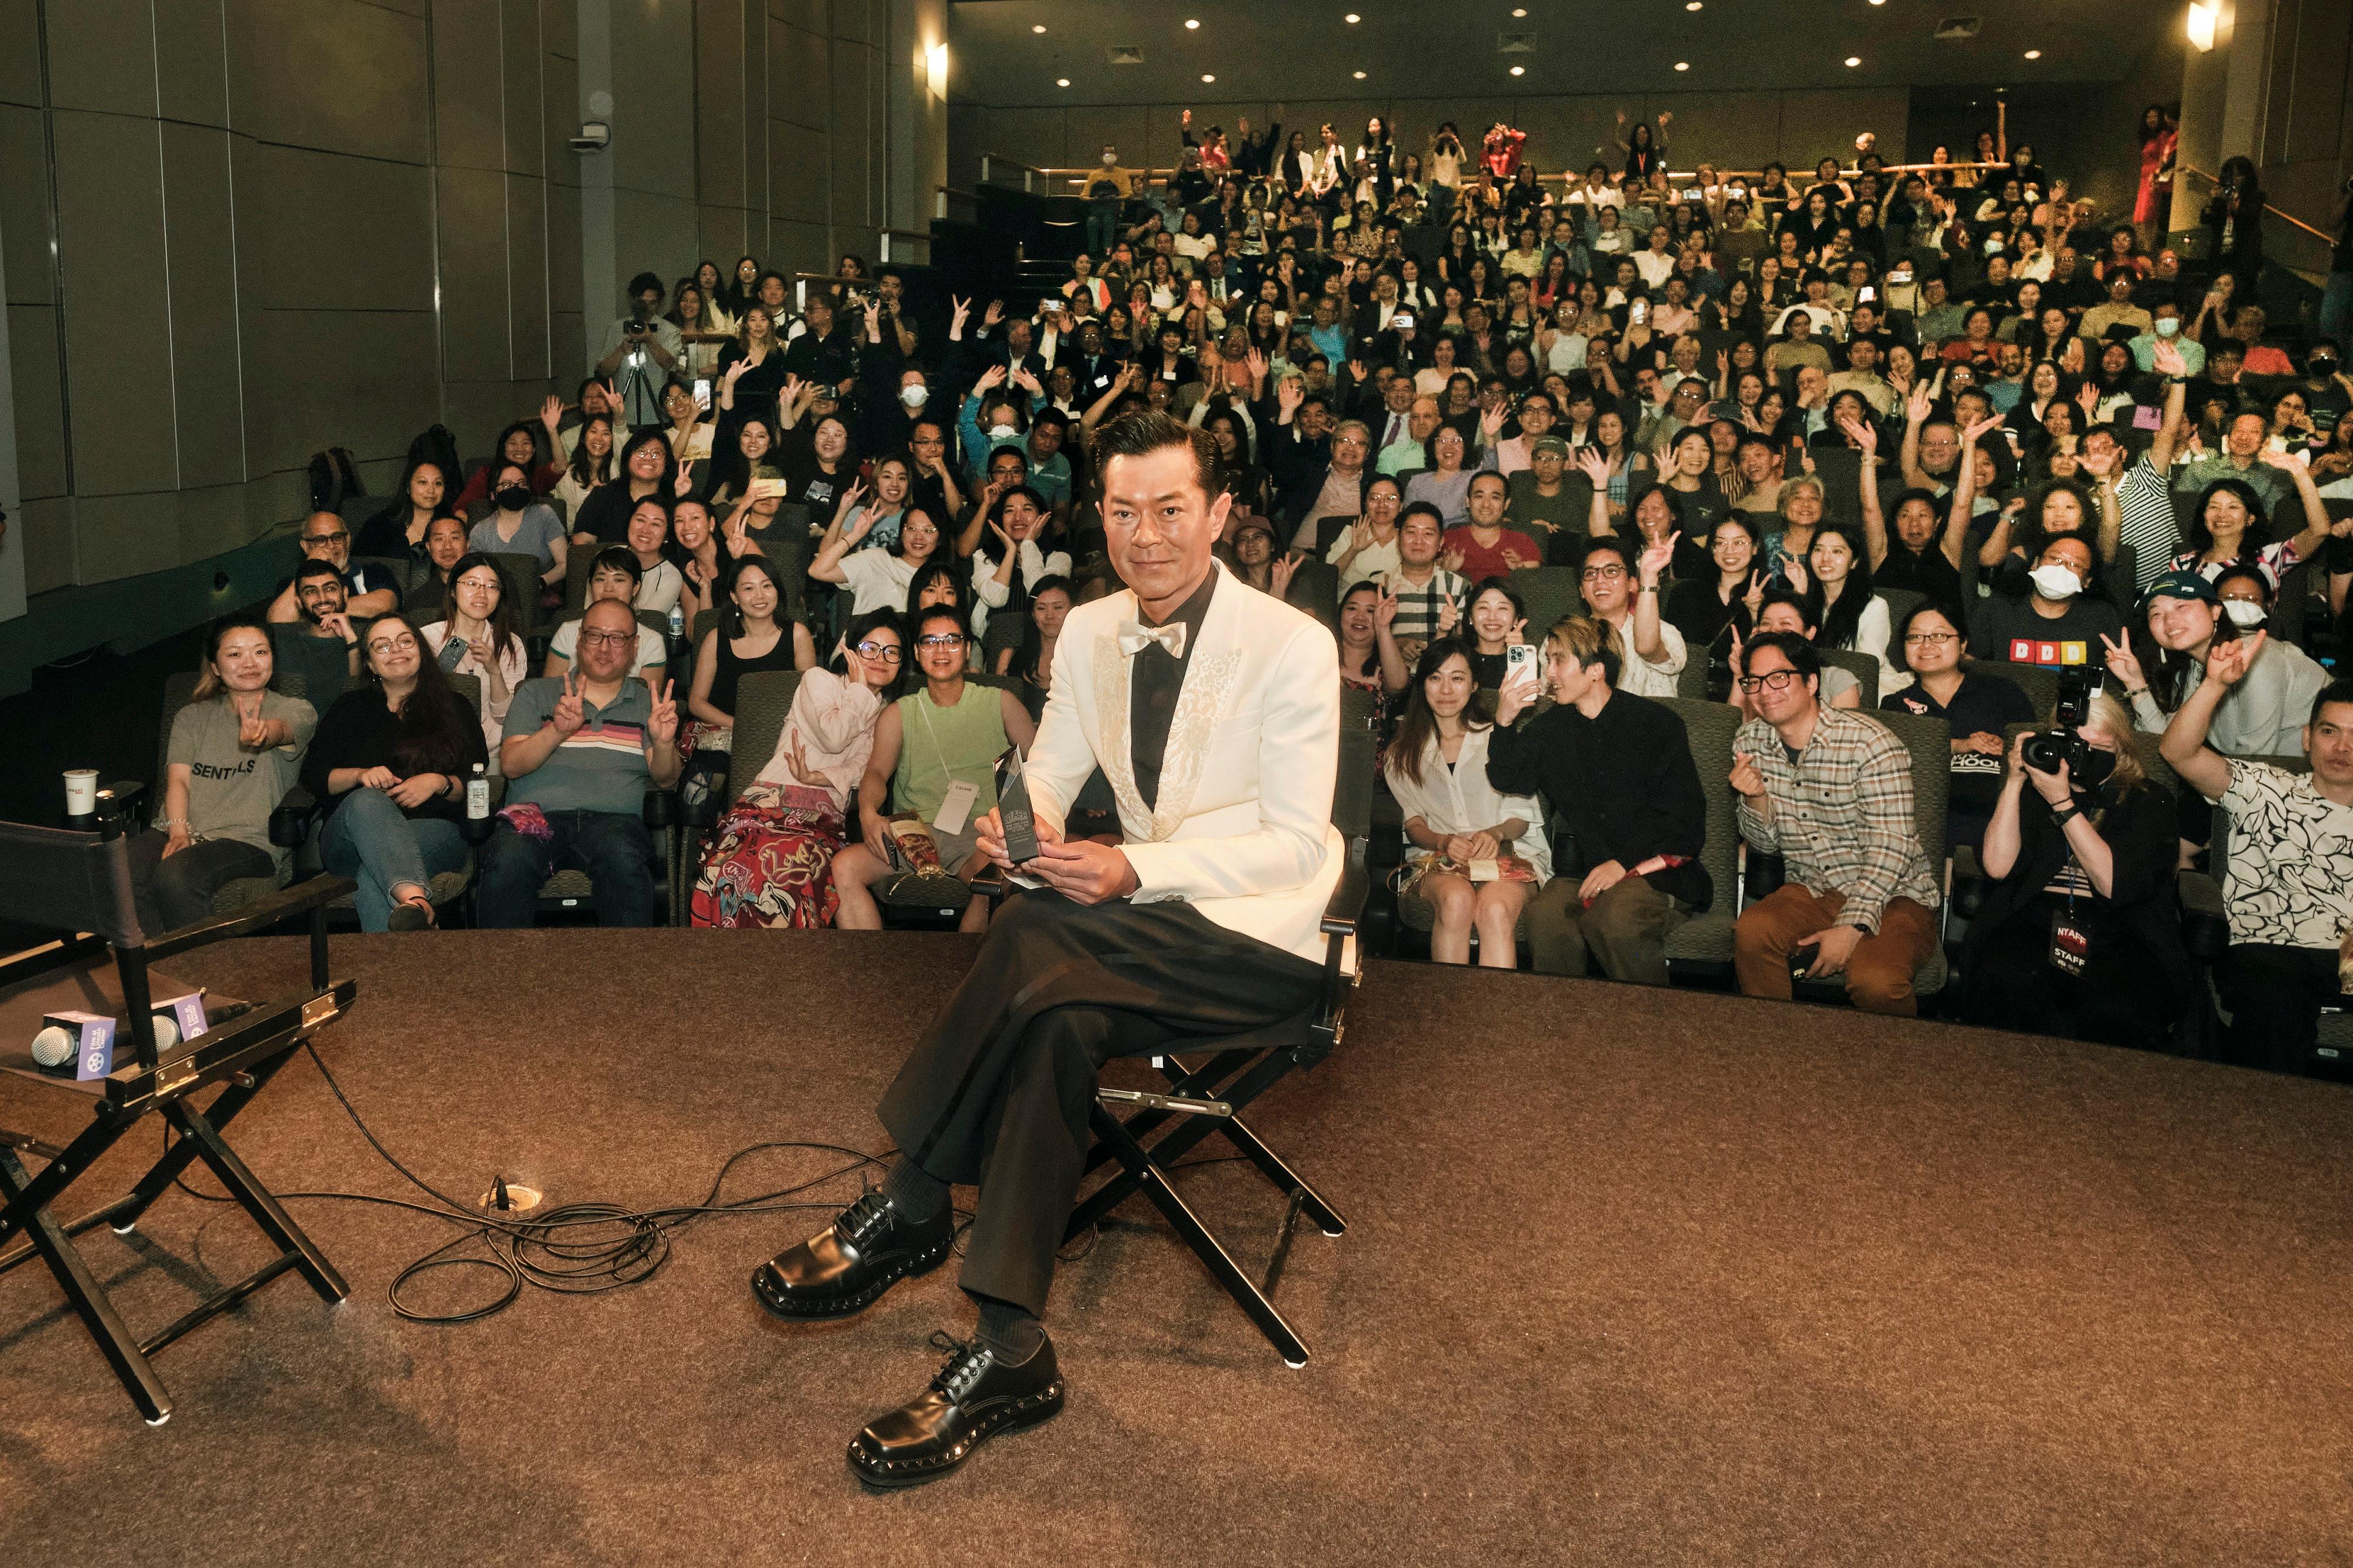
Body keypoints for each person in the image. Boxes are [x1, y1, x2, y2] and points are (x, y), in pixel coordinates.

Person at [749, 411, 1344, 1487]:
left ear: (1217, 513)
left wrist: (1131, 868)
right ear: (1102, 517)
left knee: (1029, 937)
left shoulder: (1294, 645)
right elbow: (1054, 771)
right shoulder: (1093, 628)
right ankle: (1011, 1346)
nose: (1147, 535)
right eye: (1124, 512)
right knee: (1054, 1012)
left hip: (1265, 938)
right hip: (1137, 930)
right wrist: (1014, 829)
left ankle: (915, 1200)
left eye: (1171, 510)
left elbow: (1299, 842)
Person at [2161, 642, 2353, 1073]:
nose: (2342, 747)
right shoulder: (2264, 785)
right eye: (2329, 731)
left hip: (2348, 952)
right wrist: (2213, 685)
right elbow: (2178, 753)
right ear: (2307, 737)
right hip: (2273, 947)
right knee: (2272, 994)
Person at [1957, 694, 2188, 1050]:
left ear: (2122, 749)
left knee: (2117, 1010)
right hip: (2035, 916)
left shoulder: (2149, 800)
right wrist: (2016, 781)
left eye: (2099, 745)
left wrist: (2063, 804)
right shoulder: (2033, 790)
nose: (2085, 755)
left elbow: (2112, 885)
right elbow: (1997, 867)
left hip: (2121, 926)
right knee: (2004, 983)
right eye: (2077, 744)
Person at [1728, 632, 1943, 1015]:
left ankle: (1903, 1070)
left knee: (1875, 980)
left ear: (1811, 683)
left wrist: (1852, 927)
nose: (1765, 691)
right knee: (1752, 932)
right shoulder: (1750, 741)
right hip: (1814, 888)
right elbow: (1765, 846)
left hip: (1895, 894)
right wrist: (1756, 799)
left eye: (1779, 677)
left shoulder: (1871, 743)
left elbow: (1891, 846)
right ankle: (1769, 1049)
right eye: (1754, 682)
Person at [1489, 614, 1711, 984]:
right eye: (1547, 660)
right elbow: (1511, 778)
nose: (1549, 672)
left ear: (1596, 670)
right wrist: (1505, 721)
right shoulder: (1551, 728)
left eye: (1559, 660)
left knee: (1615, 916)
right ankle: (1567, 1028)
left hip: (1660, 871)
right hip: (1588, 870)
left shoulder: (1656, 724)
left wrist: (1623, 864)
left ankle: (1650, 1027)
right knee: (1547, 915)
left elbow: (1685, 822)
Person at [828, 602, 1036, 935]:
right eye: (930, 641)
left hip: (982, 834)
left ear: (967, 649)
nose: (941, 650)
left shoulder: (1001, 703)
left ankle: (965, 980)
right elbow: (877, 773)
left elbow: (1041, 769)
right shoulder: (899, 712)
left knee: (995, 880)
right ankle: (868, 972)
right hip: (917, 834)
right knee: (844, 867)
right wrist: (868, 812)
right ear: (917, 651)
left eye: (952, 640)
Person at [691, 613, 904, 929]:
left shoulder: (891, 714)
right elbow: (834, 737)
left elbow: (867, 769)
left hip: (820, 821)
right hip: (767, 805)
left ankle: (790, 970)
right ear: (849, 652)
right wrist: (860, 690)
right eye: (870, 648)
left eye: (892, 652)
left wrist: (821, 778)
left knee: (793, 865)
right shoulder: (818, 680)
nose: (880, 659)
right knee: (741, 865)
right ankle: (731, 968)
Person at [478, 599, 682, 928]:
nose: (605, 648)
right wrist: (558, 731)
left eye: (618, 638)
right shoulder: (535, 693)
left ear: (634, 647)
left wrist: (663, 741)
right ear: (578, 641)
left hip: (615, 820)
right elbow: (512, 765)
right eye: (595, 636)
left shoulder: (649, 704)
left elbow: (666, 778)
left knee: (623, 863)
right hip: (534, 815)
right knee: (509, 860)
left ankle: (631, 975)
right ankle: (502, 974)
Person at [125, 615, 316, 936]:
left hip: (247, 841)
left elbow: (278, 732)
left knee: (175, 876)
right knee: (121, 870)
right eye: (235, 654)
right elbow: (179, 782)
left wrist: (260, 734)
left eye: (260, 652)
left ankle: (201, 972)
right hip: (179, 827)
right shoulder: (192, 716)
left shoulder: (297, 709)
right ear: (215, 666)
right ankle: (158, 969)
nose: (250, 663)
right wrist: (177, 832)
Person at [299, 613, 486, 932]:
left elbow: (477, 782)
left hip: (435, 832)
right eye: (382, 646)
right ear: (370, 664)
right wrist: (359, 775)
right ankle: (417, 900)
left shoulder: (455, 707)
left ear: (420, 650)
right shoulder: (349, 707)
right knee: (367, 801)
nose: (396, 650)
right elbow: (314, 776)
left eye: (405, 641)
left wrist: (438, 782)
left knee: (372, 878)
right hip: (348, 838)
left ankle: (409, 912)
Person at [1383, 639, 1549, 966]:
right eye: (1435, 677)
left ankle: (1496, 1013)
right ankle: (1452, 1009)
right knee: (1457, 900)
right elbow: (1414, 825)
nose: (1446, 689)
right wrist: (1443, 841)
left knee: (1494, 908)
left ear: (1474, 685)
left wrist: (1496, 834)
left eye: (1457, 678)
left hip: (1509, 854)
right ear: (1423, 684)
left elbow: (1521, 819)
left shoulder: (1498, 738)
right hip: (1437, 860)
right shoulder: (1401, 754)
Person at [2108, 568, 2329, 759]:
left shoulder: (2255, 657)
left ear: (2215, 611)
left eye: (2182, 607)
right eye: (2155, 614)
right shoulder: (2194, 668)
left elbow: (2255, 756)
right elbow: (2168, 740)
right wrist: (2134, 682)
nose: (2169, 620)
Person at [1879, 602, 2034, 850]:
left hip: (1995, 811)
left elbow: (2031, 748)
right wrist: (1958, 745)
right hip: (1922, 818)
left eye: (1939, 636)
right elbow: (1890, 766)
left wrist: (2003, 747)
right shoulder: (1894, 705)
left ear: (1962, 644)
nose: (1927, 645)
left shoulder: (2003, 692)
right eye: (1915, 637)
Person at [685, 555, 814, 758]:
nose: (760, 596)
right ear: (735, 597)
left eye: (767, 586)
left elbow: (810, 698)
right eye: (748, 589)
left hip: (780, 739)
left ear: (777, 591)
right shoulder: (715, 639)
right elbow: (696, 702)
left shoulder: (798, 635)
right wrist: (742, 728)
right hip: (724, 738)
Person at [419, 551, 529, 758]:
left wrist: (494, 671)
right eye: (472, 584)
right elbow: (421, 706)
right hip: (439, 753)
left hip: (494, 754)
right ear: (453, 590)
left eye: (491, 586)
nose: (482, 594)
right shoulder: (427, 639)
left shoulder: (510, 644)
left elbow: (506, 717)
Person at [1967, 535, 2124, 670]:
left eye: (2075, 564)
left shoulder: (2102, 616)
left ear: (2087, 581)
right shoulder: (1997, 607)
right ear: (2035, 564)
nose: (2062, 568)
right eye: (2055, 559)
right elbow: (1970, 663)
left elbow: (2116, 673)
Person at [1575, 535, 1686, 698]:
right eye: (1590, 574)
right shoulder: (1565, 637)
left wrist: (1648, 577)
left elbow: (1647, 648)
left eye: (1611, 571)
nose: (1600, 580)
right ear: (1582, 591)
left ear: (1633, 584)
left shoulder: (1665, 633)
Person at [544, 549, 668, 690]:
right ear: (590, 585)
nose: (609, 588)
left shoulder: (652, 641)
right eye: (600, 579)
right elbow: (548, 695)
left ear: (635, 588)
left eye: (619, 580)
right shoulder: (568, 631)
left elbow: (647, 704)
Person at [266, 511, 398, 624]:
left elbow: (386, 605)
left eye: (337, 537)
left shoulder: (373, 572)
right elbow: (277, 622)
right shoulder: (292, 585)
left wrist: (315, 610)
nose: (330, 545)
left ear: (348, 540)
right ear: (305, 546)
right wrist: (308, 568)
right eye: (320, 540)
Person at [466, 460, 568, 596]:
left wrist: (540, 583)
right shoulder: (481, 531)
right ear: (493, 494)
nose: (515, 488)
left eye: (521, 483)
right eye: (506, 484)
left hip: (540, 595)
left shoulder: (544, 515)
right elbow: (474, 574)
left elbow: (564, 564)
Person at [274, 558, 362, 705]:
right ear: (299, 601)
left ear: (345, 593)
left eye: (330, 589)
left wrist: (352, 643)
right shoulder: (288, 643)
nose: (322, 599)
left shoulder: (366, 635)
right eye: (310, 592)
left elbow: (358, 698)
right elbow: (293, 702)